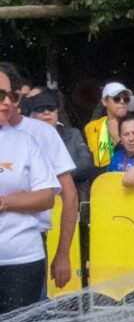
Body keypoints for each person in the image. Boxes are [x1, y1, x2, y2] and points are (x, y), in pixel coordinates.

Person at [0, 63, 60, 322]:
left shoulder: (24, 142)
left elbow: (46, 197)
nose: (6, 103)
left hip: (20, 258)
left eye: (9, 96)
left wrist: (5, 203)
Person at [0, 64, 79, 294]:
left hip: (30, 245)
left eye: (15, 97)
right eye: (2, 95)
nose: (9, 103)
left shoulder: (40, 134)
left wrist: (63, 254)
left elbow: (69, 195)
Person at [23, 87, 96, 190]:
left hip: (73, 194)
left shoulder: (73, 134)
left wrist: (61, 175)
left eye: (51, 108)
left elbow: (86, 164)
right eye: (40, 108)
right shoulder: (23, 139)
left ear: (57, 112)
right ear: (31, 115)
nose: (47, 112)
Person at [84, 81, 133, 168]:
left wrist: (116, 137)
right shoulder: (91, 127)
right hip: (101, 177)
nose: (122, 102)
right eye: (116, 98)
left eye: (126, 99)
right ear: (105, 101)